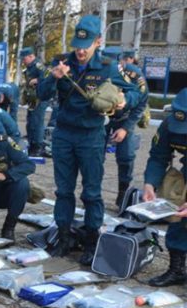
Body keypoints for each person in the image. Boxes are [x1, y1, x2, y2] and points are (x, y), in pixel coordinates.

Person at [36, 15, 139, 265]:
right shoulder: (61, 61)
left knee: (92, 192)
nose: (80, 51)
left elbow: (136, 93)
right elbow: (42, 93)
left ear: (98, 42)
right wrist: (54, 76)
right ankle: (63, 237)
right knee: (63, 191)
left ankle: (92, 242)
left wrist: (124, 101)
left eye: (86, 46)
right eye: (77, 45)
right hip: (64, 134)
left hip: (91, 136)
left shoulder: (108, 66)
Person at [142, 88, 187, 287]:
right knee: (178, 216)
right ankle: (177, 270)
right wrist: (150, 184)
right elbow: (158, 157)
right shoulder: (170, 124)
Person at [103, 48, 150, 207]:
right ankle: (92, 192)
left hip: (124, 119)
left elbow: (142, 102)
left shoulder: (134, 74)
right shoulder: (96, 71)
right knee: (95, 156)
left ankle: (123, 193)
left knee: (126, 157)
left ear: (122, 61)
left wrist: (125, 128)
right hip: (101, 119)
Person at [20, 47, 50, 156]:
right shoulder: (29, 67)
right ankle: (32, 143)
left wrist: (37, 80)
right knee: (31, 121)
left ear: (31, 56)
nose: (23, 61)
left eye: (24, 59)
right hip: (32, 98)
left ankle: (38, 146)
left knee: (37, 122)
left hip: (40, 98)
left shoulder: (38, 65)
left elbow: (48, 76)